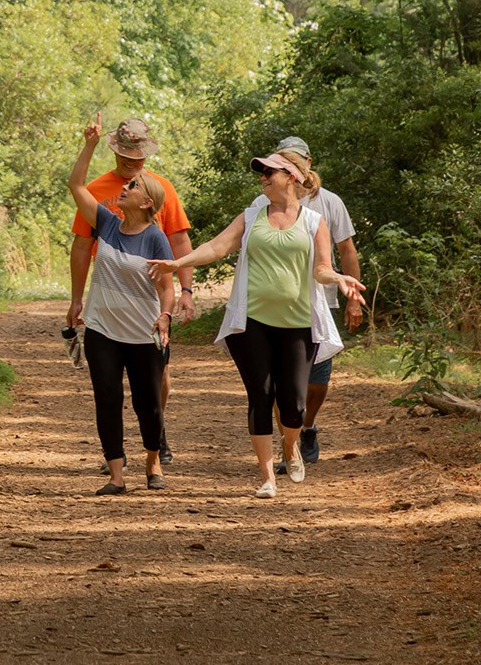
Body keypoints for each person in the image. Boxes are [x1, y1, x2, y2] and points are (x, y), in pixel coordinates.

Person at [152, 149, 365, 499]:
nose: (263, 176)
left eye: (271, 171)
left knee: (294, 404)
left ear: (292, 177)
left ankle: (291, 445)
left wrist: (339, 279)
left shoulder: (313, 222)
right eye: (261, 172)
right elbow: (217, 247)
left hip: (298, 324)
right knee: (261, 396)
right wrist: (179, 264)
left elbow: (321, 268)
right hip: (251, 324)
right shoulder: (251, 217)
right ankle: (267, 476)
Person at [65, 117, 193, 457]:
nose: (134, 164)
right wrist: (77, 299)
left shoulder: (159, 188)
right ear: (116, 154)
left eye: (140, 158)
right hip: (108, 297)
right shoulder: (99, 192)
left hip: (150, 300)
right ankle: (117, 457)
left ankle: (156, 434)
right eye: (127, 158)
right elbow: (81, 246)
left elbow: (179, 241)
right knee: (108, 388)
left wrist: (186, 292)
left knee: (156, 379)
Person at [247, 136, 360, 472]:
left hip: (319, 305)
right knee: (285, 384)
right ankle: (288, 447)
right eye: (281, 161)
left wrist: (350, 297)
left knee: (316, 382)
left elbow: (347, 251)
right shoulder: (261, 202)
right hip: (274, 311)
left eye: (296, 160)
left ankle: (307, 426)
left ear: (306, 165)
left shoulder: (329, 203)